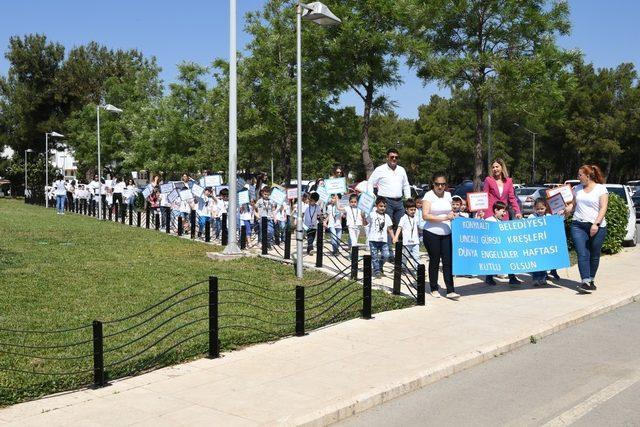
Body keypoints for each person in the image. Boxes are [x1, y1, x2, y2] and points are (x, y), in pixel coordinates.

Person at [564, 165, 609, 294]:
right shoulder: (577, 189)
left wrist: (596, 224)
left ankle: (591, 279)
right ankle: (585, 281)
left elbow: (603, 208)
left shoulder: (601, 189)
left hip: (597, 226)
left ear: (587, 176)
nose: (578, 177)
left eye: (580, 175)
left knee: (594, 254)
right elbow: (573, 204)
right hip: (578, 225)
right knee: (582, 253)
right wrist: (569, 209)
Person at [367, 148, 412, 257]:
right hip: (385, 201)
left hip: (399, 201)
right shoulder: (380, 169)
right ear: (387, 157)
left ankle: (399, 252)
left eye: (396, 157)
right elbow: (370, 182)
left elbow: (406, 185)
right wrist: (371, 194)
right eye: (392, 157)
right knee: (387, 227)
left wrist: (409, 198)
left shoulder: (401, 170)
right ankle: (387, 252)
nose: (394, 159)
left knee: (402, 225)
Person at [422, 173, 459, 299]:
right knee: (435, 260)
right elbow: (425, 215)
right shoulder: (428, 195)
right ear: (433, 184)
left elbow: (450, 211)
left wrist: (454, 215)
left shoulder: (448, 195)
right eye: (438, 184)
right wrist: (444, 218)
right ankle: (433, 288)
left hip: (446, 233)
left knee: (448, 262)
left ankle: (450, 290)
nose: (440, 186)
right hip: (431, 233)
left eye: (443, 184)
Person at [481, 201, 522, 286]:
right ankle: (489, 278)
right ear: (496, 210)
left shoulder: (501, 221)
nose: (505, 213)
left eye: (505, 211)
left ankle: (512, 278)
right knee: (492, 263)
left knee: (509, 260)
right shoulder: (489, 220)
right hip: (492, 247)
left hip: (501, 246)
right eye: (503, 211)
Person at [527, 198, 559, 286]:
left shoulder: (548, 216)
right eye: (537, 209)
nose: (540, 211)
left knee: (544, 262)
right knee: (537, 262)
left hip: (545, 244)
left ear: (545, 208)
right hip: (535, 244)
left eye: (542, 209)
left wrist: (559, 215)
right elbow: (527, 228)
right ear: (534, 208)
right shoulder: (531, 217)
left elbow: (555, 223)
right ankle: (535, 279)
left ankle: (543, 278)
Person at [365, 197, 394, 279]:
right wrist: (363, 216)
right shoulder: (372, 214)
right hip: (373, 240)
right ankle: (377, 271)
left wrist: (393, 237)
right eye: (381, 206)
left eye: (384, 206)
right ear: (376, 206)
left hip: (383, 240)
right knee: (374, 257)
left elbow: (390, 228)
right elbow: (365, 223)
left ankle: (379, 266)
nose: (383, 208)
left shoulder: (387, 216)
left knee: (386, 255)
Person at [393, 198, 421, 275]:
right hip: (406, 242)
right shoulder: (403, 218)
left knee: (416, 257)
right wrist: (396, 237)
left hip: (415, 241)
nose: (413, 211)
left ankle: (418, 270)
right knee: (405, 256)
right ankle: (403, 268)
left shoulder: (416, 217)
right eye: (411, 210)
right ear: (406, 209)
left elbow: (418, 227)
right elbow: (399, 228)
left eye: (414, 209)